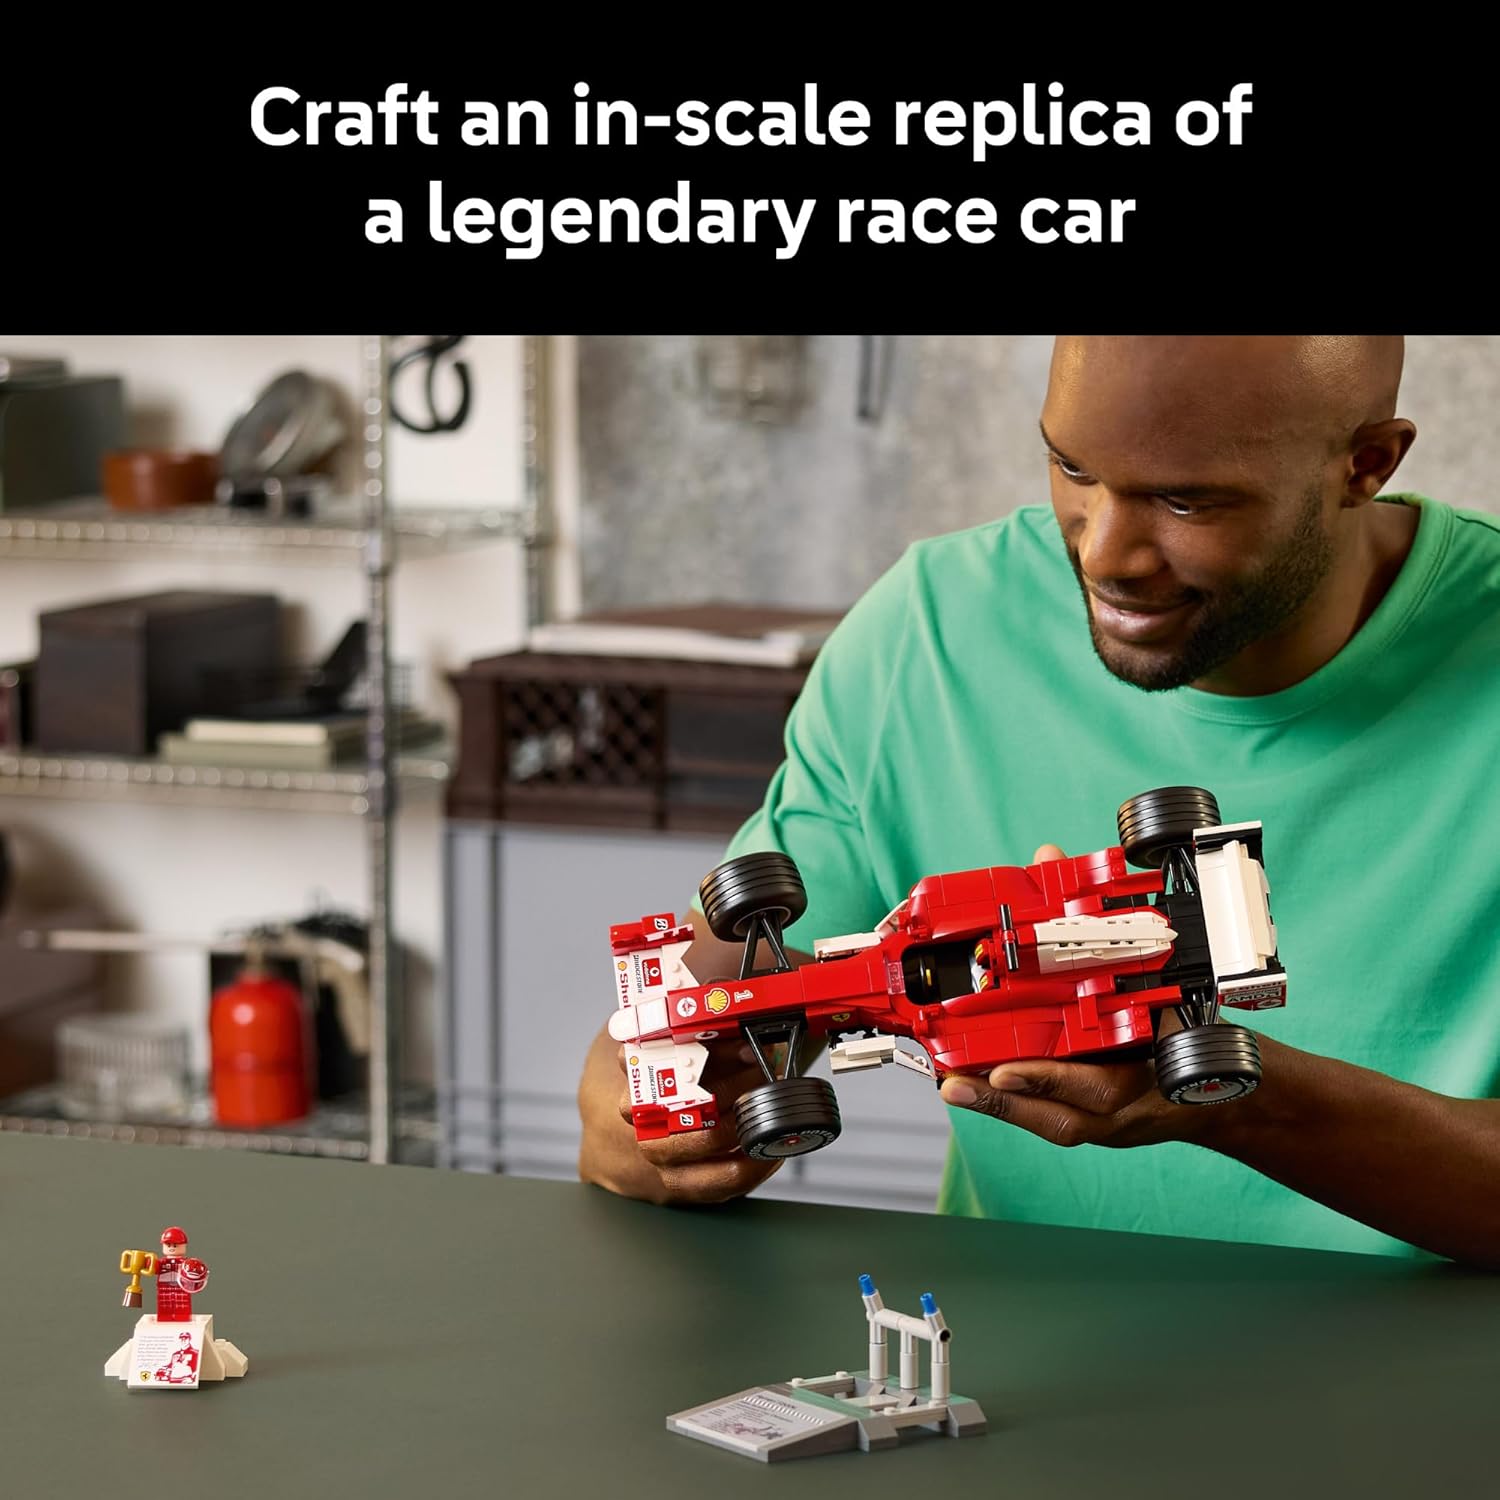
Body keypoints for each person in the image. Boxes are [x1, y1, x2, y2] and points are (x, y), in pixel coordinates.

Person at [577, 335, 1500, 1270]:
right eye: (1074, 468)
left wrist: (1243, 1100)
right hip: (1011, 1337)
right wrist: (650, 1105)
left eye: (1186, 501)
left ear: (1365, 464)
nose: (1104, 554)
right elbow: (692, 1003)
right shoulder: (929, 631)